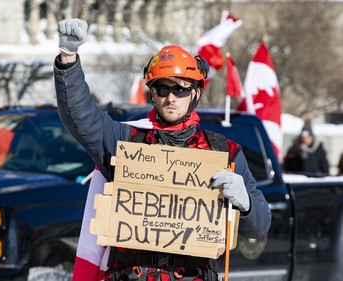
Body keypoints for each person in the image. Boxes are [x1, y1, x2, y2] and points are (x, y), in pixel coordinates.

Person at [54, 19, 271, 281]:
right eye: (163, 88)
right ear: (153, 94)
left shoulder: (224, 152)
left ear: (195, 94)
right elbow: (81, 118)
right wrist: (68, 60)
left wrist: (244, 202)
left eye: (180, 89)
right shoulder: (126, 142)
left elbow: (259, 226)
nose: (171, 97)